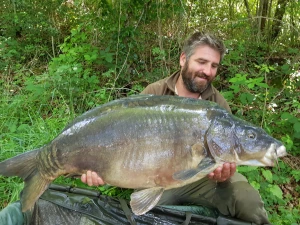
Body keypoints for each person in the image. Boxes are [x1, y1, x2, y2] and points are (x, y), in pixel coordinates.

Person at [81, 32, 271, 225]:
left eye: (214, 66)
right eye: (202, 62)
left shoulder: (217, 104)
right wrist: (99, 167)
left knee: (248, 201)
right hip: (159, 180)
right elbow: (124, 143)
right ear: (183, 59)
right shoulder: (154, 93)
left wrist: (224, 174)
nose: (207, 71)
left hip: (206, 179)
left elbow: (229, 154)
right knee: (144, 217)